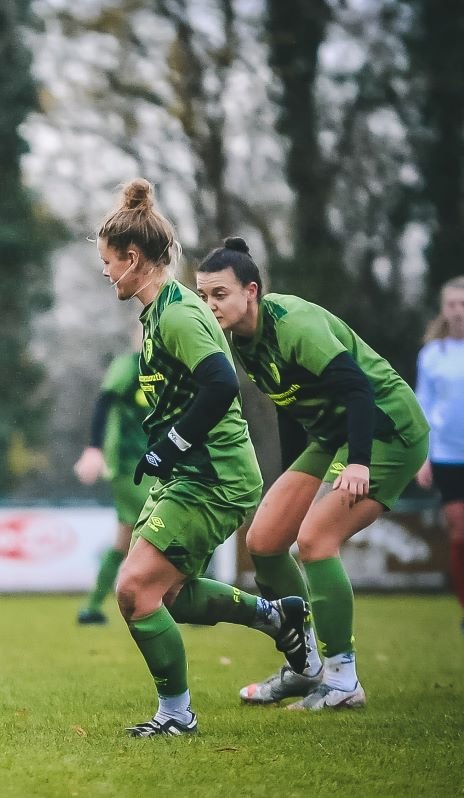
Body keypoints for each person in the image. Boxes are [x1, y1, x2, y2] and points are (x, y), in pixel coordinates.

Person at [95, 179, 312, 738]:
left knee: (134, 591)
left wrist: (171, 445)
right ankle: (275, 616)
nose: (104, 272)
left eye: (108, 261)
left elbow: (221, 384)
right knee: (165, 594)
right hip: (191, 475)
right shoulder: (154, 315)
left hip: (213, 477)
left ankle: (177, 716)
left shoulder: (176, 314)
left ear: (133, 258)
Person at [195, 237, 429, 710]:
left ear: (252, 291)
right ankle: (306, 669)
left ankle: (343, 679)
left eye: (218, 294)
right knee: (263, 541)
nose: (209, 304)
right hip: (331, 435)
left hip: (385, 429)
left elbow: (359, 390)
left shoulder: (294, 324)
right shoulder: (242, 342)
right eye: (202, 296)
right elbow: (289, 406)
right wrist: (290, 482)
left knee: (317, 540)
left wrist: (359, 461)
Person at [72, 321, 150, 625]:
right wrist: (94, 449)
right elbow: (104, 402)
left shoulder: (167, 373)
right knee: (165, 525)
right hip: (128, 465)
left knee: (124, 540)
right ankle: (187, 597)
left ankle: (91, 607)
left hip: (152, 465)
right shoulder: (128, 366)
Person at [415, 275, 464, 631]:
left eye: (463, 305)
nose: (458, 312)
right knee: (459, 533)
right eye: (452, 305)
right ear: (443, 309)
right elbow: (423, 404)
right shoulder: (431, 355)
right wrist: (423, 455)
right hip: (447, 455)